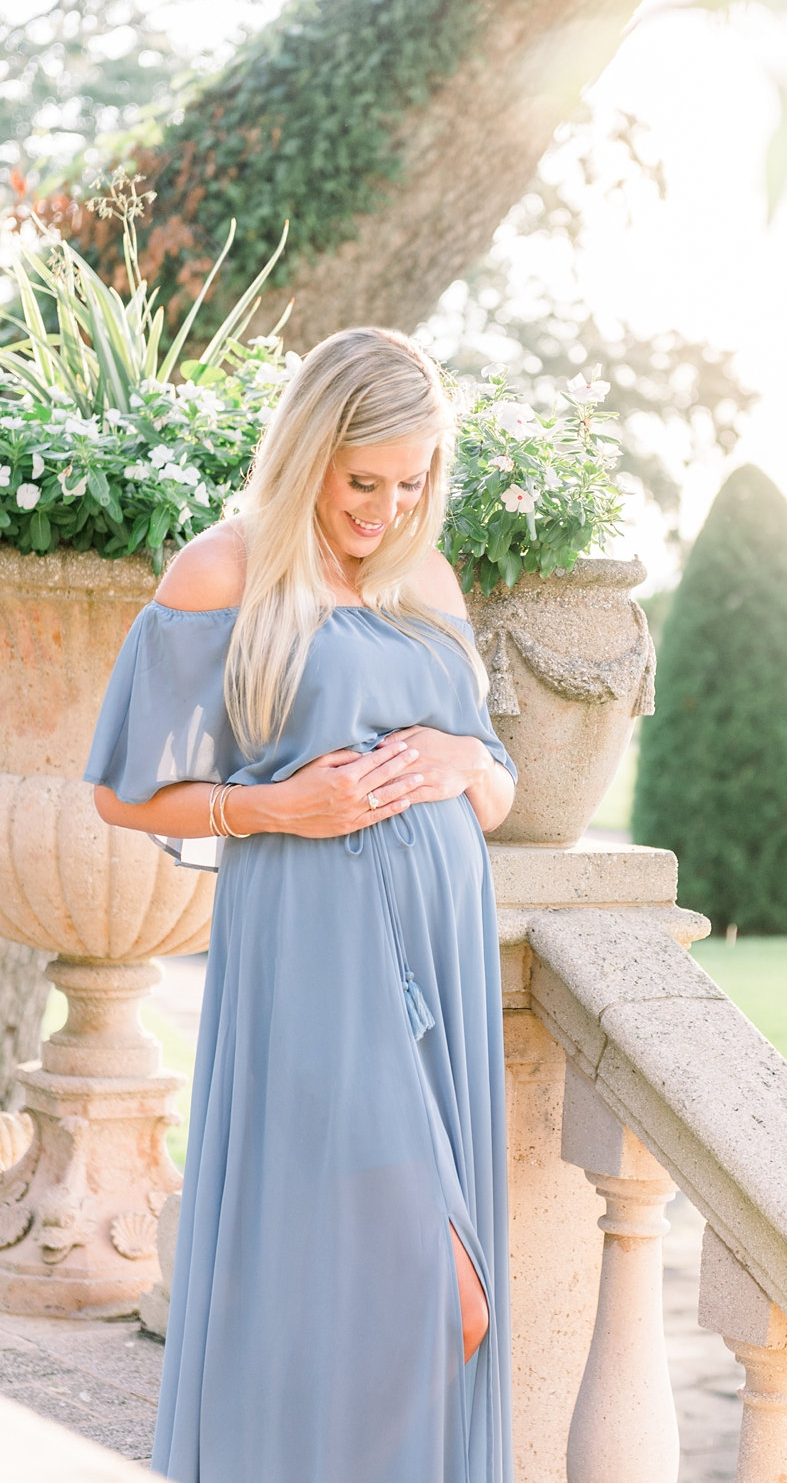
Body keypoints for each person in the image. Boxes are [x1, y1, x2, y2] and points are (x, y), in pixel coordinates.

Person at [83, 327, 519, 1483]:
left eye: (413, 482)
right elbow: (125, 796)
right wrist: (279, 810)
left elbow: (500, 787)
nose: (385, 509)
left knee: (389, 1302)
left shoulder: (426, 578)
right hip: (317, 958)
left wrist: (458, 763)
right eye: (362, 481)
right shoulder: (222, 573)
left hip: (442, 957)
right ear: (308, 451)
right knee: (441, 1299)